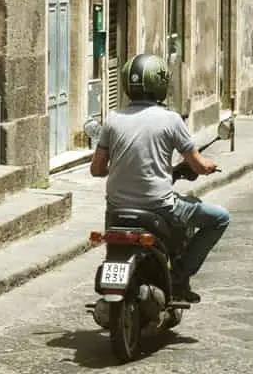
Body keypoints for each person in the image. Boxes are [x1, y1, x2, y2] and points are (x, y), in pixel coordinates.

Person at [90, 52, 230, 304]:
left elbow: (97, 169)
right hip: (160, 208)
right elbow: (197, 166)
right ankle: (178, 275)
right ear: (160, 84)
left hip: (116, 209)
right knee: (220, 218)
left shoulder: (112, 119)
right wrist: (209, 165)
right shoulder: (171, 120)